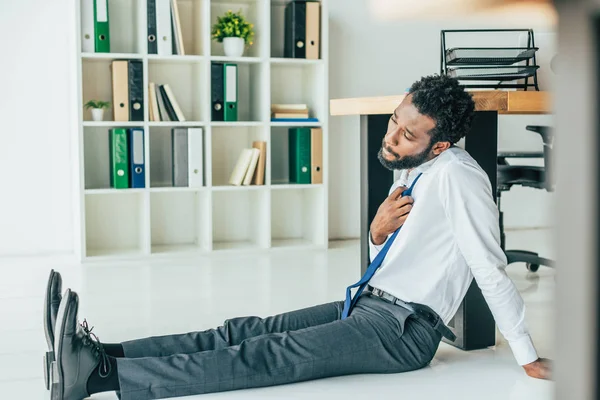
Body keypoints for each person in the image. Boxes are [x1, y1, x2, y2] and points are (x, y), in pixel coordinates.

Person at [44, 75, 551, 400]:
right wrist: (376, 233)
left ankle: (98, 378)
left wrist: (526, 353)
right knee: (241, 331)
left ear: (439, 144)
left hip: (405, 332)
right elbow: (405, 252)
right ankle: (102, 351)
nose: (391, 138)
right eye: (395, 122)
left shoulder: (459, 177)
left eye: (406, 135)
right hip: (371, 303)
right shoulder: (414, 167)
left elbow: (487, 263)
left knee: (269, 355)